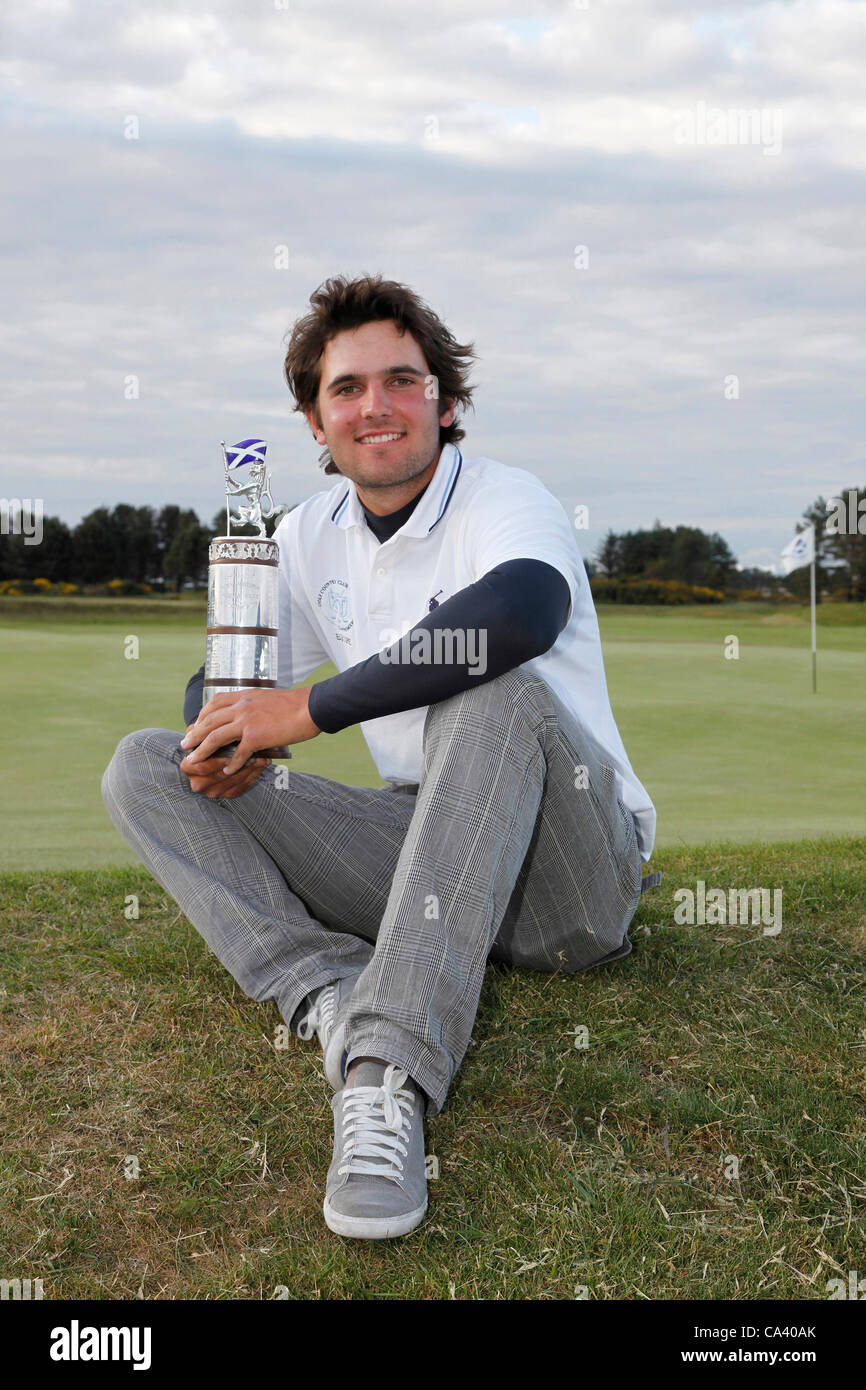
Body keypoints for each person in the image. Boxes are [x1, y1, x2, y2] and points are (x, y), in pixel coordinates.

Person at [102, 273, 657, 1242]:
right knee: (148, 764)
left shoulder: (503, 498)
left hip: (569, 882)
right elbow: (220, 688)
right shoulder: (307, 534)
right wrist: (222, 730)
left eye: (402, 380)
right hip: (431, 857)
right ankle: (326, 991)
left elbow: (519, 613)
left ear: (444, 401)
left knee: (488, 687)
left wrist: (304, 711)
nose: (376, 406)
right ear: (315, 423)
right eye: (347, 389)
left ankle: (385, 1074)